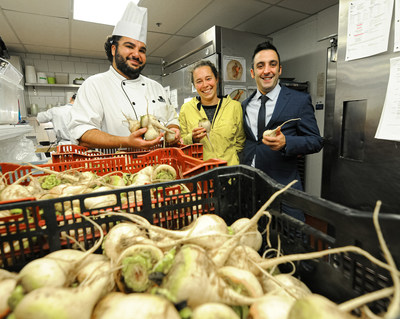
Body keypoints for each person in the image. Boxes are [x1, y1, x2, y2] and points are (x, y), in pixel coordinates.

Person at [68, 2, 180, 149]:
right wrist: (126, 141)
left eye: (142, 50)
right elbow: (82, 133)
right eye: (129, 46)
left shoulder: (156, 87)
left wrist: (174, 130)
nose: (136, 54)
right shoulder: (94, 85)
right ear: (114, 49)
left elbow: (172, 119)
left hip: (159, 165)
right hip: (115, 168)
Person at [241, 41, 323, 220]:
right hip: (250, 186)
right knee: (255, 237)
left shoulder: (298, 100)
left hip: (284, 185)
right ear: (253, 73)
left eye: (273, 64)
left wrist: (288, 143)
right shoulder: (244, 106)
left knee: (293, 237)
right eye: (260, 66)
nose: (267, 70)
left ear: (280, 70)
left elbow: (316, 140)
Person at [179, 60, 246, 165]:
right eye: (199, 81)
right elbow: (181, 144)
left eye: (208, 79)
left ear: (216, 79)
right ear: (194, 85)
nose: (205, 85)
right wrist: (191, 138)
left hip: (229, 173)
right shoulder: (186, 109)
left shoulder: (234, 107)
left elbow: (240, 143)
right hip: (200, 174)